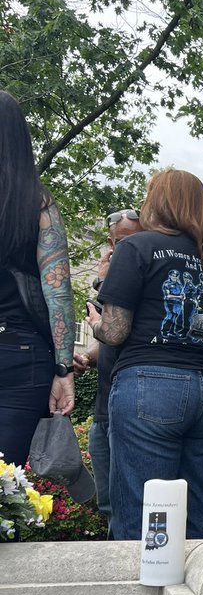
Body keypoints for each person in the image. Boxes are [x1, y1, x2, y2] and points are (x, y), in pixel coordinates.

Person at [89, 170, 203, 539]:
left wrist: (95, 322)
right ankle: (194, 590)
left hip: (150, 385)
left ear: (157, 202)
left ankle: (142, 593)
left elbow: (115, 331)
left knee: (143, 510)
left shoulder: (136, 248)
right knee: (197, 506)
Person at [0, 91, 75, 464]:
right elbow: (58, 293)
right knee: (5, 483)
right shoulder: (38, 203)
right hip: (20, 353)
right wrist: (63, 369)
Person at [74, 209, 143, 527]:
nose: (128, 247)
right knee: (108, 506)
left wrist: (104, 281)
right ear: (110, 241)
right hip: (104, 411)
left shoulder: (144, 272)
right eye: (122, 240)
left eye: (134, 238)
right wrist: (86, 357)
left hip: (129, 411)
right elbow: (107, 337)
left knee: (128, 506)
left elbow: (118, 330)